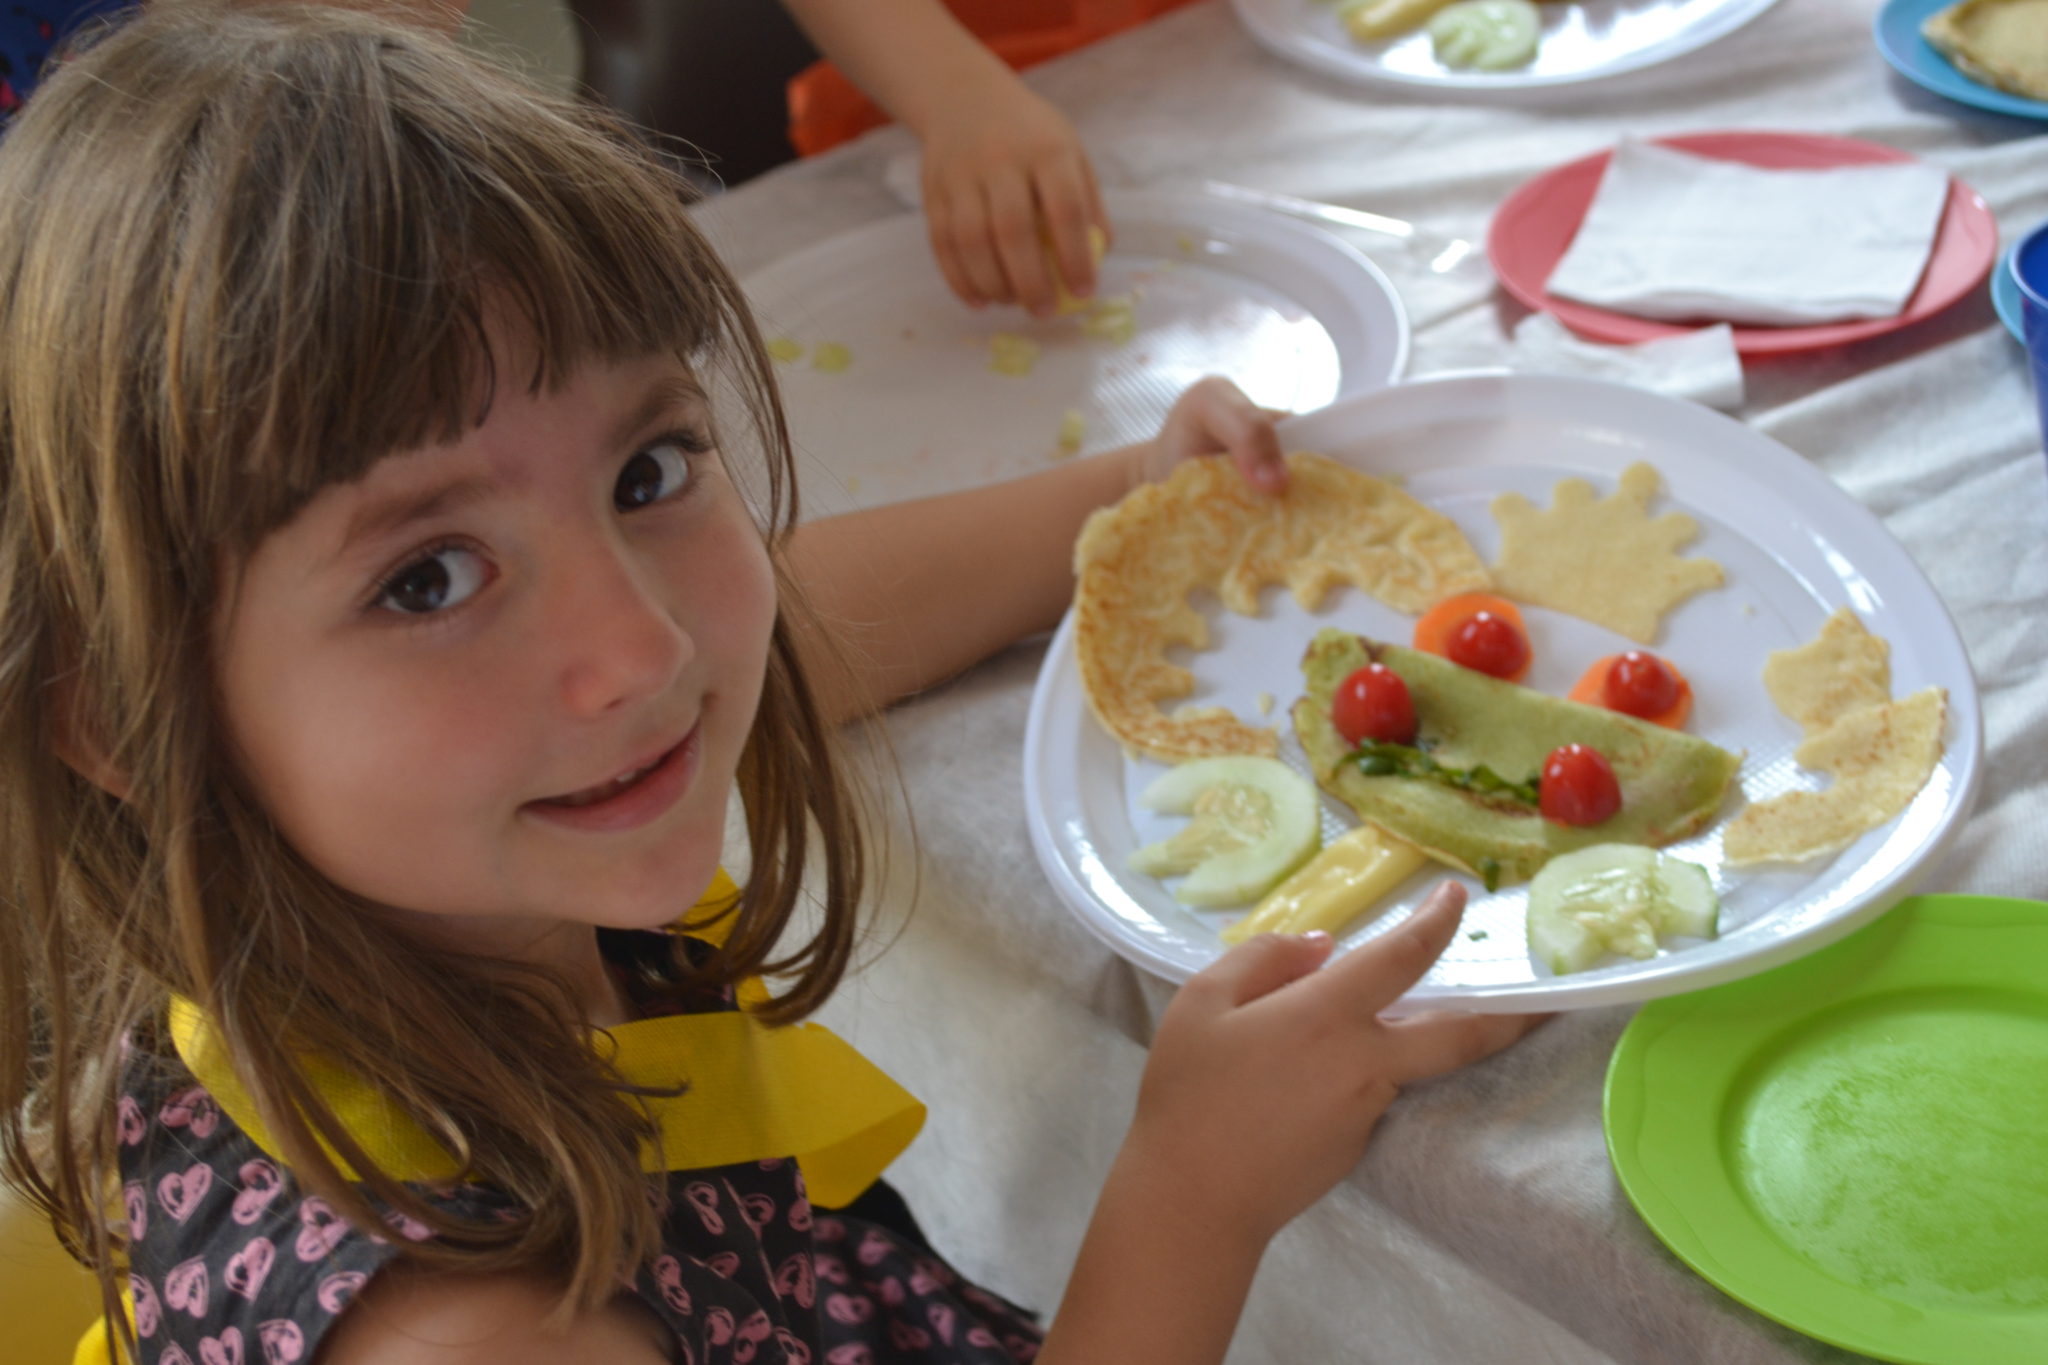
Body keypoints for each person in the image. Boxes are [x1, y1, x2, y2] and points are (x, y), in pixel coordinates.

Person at [0, 7, 1538, 1364]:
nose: (649, 648)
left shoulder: (399, 886)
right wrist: (1193, 1194)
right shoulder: (478, 1340)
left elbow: (796, 621)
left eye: (649, 468)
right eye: (425, 578)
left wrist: (1132, 497)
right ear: (115, 711)